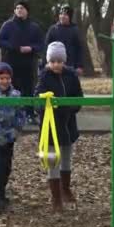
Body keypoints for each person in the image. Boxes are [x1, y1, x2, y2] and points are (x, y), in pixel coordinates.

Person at [35, 42, 84, 212]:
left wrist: (69, 108)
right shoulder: (44, 77)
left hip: (68, 124)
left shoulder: (71, 76)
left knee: (66, 157)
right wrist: (46, 104)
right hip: (50, 125)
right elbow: (37, 100)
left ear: (64, 61)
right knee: (52, 160)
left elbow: (79, 97)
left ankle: (66, 189)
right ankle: (56, 197)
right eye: (53, 61)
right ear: (48, 62)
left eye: (59, 61)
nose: (56, 64)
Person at [0, 62, 26, 213]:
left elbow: (21, 114)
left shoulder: (15, 95)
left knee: (6, 167)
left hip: (9, 137)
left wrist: (16, 130)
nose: (5, 81)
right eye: (1, 78)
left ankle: (1, 194)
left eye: (8, 78)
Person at [0, 0, 44, 125]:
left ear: (27, 11)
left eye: (22, 8)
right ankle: (12, 114)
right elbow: (0, 40)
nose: (19, 10)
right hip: (11, 62)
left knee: (29, 89)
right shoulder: (8, 25)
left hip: (29, 63)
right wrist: (13, 46)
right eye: (17, 8)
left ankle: (29, 113)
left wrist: (31, 48)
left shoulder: (34, 27)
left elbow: (41, 44)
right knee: (12, 88)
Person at [44, 5, 83, 75]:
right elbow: (46, 47)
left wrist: (79, 66)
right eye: (61, 14)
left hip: (70, 65)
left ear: (70, 17)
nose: (62, 16)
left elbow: (79, 48)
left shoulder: (75, 30)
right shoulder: (53, 29)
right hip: (54, 65)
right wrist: (45, 63)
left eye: (65, 15)